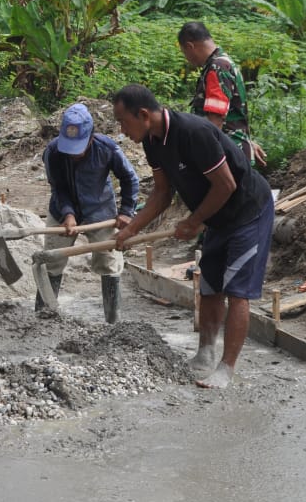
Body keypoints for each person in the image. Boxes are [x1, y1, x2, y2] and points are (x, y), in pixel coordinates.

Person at [111, 84, 274, 389]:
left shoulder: (193, 132)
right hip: (216, 217)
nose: (122, 129)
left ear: (144, 114)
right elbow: (161, 192)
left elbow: (226, 185)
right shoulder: (152, 141)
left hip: (247, 211)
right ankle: (206, 353)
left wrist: (194, 221)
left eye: (123, 121)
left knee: (237, 290)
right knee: (210, 284)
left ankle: (226, 368)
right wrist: (132, 229)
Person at [38, 103, 139, 321]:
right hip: (61, 209)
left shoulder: (107, 149)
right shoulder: (54, 152)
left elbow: (130, 179)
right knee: (51, 261)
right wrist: (68, 214)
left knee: (109, 262)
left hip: (100, 209)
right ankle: (42, 319)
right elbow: (58, 187)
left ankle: (112, 322)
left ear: (91, 138)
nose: (74, 154)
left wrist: (126, 211)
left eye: (80, 148)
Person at [178, 21, 266, 167]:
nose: (187, 58)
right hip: (232, 149)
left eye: (184, 52)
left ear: (190, 46)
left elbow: (215, 120)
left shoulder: (216, 69)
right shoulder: (224, 62)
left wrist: (204, 158)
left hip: (226, 154)